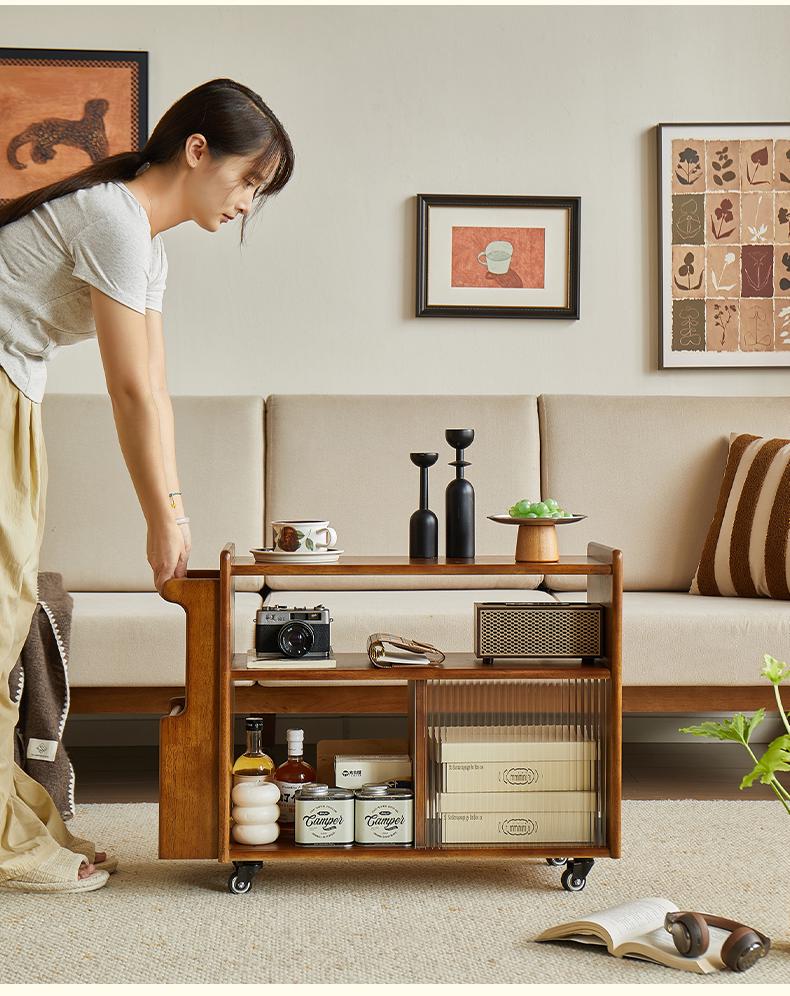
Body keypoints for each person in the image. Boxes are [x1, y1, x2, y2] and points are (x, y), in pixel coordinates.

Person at [0, 78, 295, 892]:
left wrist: (174, 509)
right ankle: (9, 847)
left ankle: (18, 825)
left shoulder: (141, 240)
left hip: (14, 393)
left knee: (8, 612)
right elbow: (127, 390)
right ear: (197, 150)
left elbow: (155, 387)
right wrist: (158, 518)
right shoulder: (112, 220)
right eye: (247, 180)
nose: (247, 203)